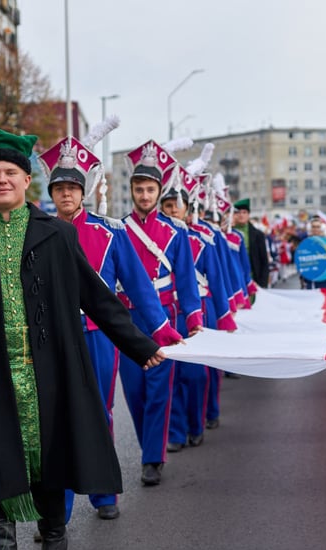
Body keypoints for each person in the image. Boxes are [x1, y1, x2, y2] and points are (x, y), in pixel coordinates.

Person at [0, 126, 167, 550]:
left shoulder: (57, 235)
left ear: (25, 180)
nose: (2, 180)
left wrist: (141, 346)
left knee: (50, 460)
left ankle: (54, 541)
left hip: (47, 372)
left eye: (11, 172)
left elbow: (97, 297)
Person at [39, 135, 183, 521]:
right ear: (51, 192)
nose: (66, 194)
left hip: (98, 336)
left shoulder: (110, 232)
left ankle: (104, 495)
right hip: (53, 339)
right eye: (59, 188)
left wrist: (160, 329)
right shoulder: (37, 233)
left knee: (99, 412)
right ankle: (58, 510)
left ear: (83, 192)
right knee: (55, 418)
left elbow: (138, 285)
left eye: (72, 187)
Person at [120, 140, 203, 485]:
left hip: (163, 319)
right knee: (135, 391)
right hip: (126, 319)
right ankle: (147, 445)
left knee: (158, 389)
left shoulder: (175, 231)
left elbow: (186, 279)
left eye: (149, 189)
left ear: (158, 190)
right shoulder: (118, 229)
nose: (144, 194)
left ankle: (152, 458)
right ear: (132, 191)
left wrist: (194, 319)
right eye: (138, 189)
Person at [160, 171, 236, 451]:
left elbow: (216, 276)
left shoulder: (203, 238)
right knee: (173, 374)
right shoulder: (157, 237)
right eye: (166, 206)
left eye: (175, 206)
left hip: (198, 308)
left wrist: (226, 313)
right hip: (167, 311)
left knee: (197, 374)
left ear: (186, 208)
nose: (171, 211)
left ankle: (199, 421)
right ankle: (177, 433)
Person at [233, 198, 270, 290]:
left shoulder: (258, 235)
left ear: (249, 214)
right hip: (234, 277)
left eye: (244, 212)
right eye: (238, 212)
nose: (241, 215)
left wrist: (262, 283)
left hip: (253, 278)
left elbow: (264, 260)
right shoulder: (228, 232)